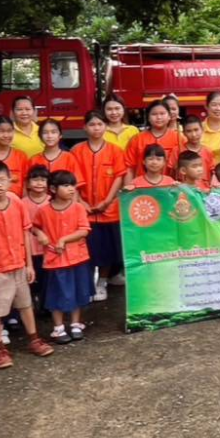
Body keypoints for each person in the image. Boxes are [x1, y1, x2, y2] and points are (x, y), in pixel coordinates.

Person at [0, 160, 50, 367]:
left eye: (2, 180)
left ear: (10, 180)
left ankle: (34, 339)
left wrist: (29, 264)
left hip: (19, 264)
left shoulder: (16, 202)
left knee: (26, 304)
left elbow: (25, 234)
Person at [32, 170, 93, 343]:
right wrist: (40, 233)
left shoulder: (78, 208)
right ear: (53, 189)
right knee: (56, 293)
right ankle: (58, 327)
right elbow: (34, 226)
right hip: (55, 259)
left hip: (78, 257)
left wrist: (64, 239)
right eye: (66, 185)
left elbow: (84, 230)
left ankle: (75, 323)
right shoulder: (44, 211)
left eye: (72, 185)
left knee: (78, 291)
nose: (71, 189)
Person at [70, 110, 124, 299]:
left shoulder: (115, 150)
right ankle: (87, 286)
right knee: (87, 250)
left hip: (109, 210)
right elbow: (72, 180)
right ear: (84, 127)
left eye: (100, 124)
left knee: (107, 251)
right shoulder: (76, 151)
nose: (96, 128)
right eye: (92, 124)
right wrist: (81, 201)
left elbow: (119, 177)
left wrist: (108, 201)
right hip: (84, 210)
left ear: (106, 127)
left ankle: (102, 282)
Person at [22, 164, 52, 314]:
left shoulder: (52, 201)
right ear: (27, 183)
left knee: (48, 278)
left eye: (43, 180)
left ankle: (47, 303)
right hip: (30, 249)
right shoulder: (22, 203)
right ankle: (33, 302)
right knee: (33, 277)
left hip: (49, 248)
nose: (39, 183)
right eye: (35, 180)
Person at [126, 100, 180, 179]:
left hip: (171, 185)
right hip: (142, 184)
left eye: (162, 113)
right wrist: (129, 186)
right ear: (148, 117)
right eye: (154, 114)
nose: (159, 117)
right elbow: (129, 167)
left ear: (169, 116)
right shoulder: (137, 139)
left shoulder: (179, 139)